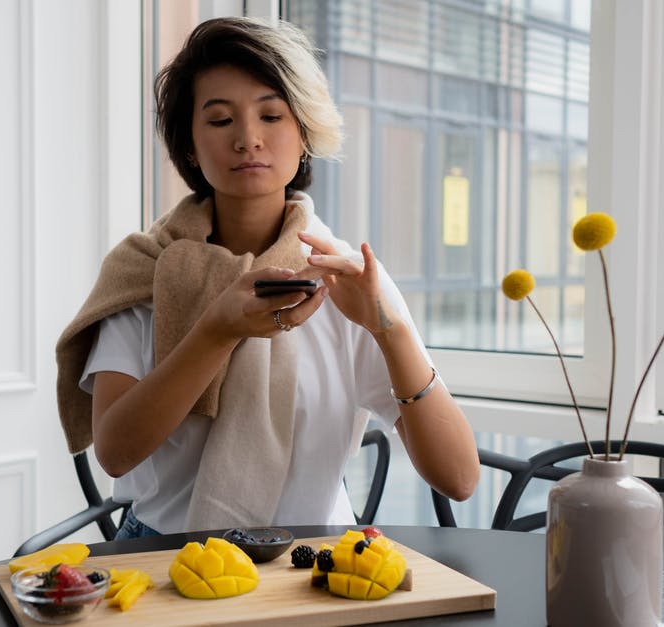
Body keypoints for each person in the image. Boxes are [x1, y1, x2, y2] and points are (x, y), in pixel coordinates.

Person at [56, 16, 479, 539]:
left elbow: (459, 479)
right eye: (219, 120)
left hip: (312, 563)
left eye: (272, 115)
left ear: (303, 133)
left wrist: (388, 329)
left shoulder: (347, 278)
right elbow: (115, 454)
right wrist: (216, 330)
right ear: (189, 145)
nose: (248, 139)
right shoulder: (143, 272)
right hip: (162, 557)